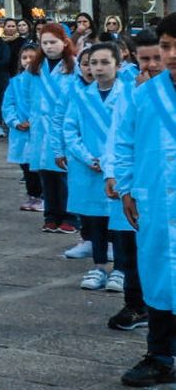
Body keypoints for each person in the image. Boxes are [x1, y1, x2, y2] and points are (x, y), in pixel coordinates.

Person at [106, 13, 176, 386]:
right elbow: (125, 143)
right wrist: (128, 188)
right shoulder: (145, 93)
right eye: (166, 46)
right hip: (156, 202)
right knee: (159, 275)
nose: (172, 54)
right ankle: (161, 355)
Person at [62, 43, 125, 289]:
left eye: (105, 62)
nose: (98, 68)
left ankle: (121, 269)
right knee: (95, 220)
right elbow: (70, 130)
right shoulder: (80, 96)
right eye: (92, 63)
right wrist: (89, 158)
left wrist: (111, 161)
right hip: (88, 167)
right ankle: (98, 267)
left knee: (119, 220)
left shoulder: (129, 95)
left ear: (118, 65)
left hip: (119, 168)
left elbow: (130, 133)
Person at [27, 22, 79, 234]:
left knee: (64, 174)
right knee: (46, 174)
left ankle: (70, 217)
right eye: (44, 43)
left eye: (53, 42)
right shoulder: (36, 67)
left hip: (63, 124)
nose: (48, 47)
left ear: (65, 42)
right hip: (40, 125)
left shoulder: (73, 66)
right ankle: (51, 215)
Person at [3, 44, 39, 210]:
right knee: (25, 167)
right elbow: (8, 105)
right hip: (20, 132)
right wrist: (15, 122)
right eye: (25, 57)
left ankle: (41, 196)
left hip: (38, 131)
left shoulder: (43, 82)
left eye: (32, 57)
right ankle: (32, 195)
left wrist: (34, 121)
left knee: (38, 167)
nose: (28, 61)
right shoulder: (14, 82)